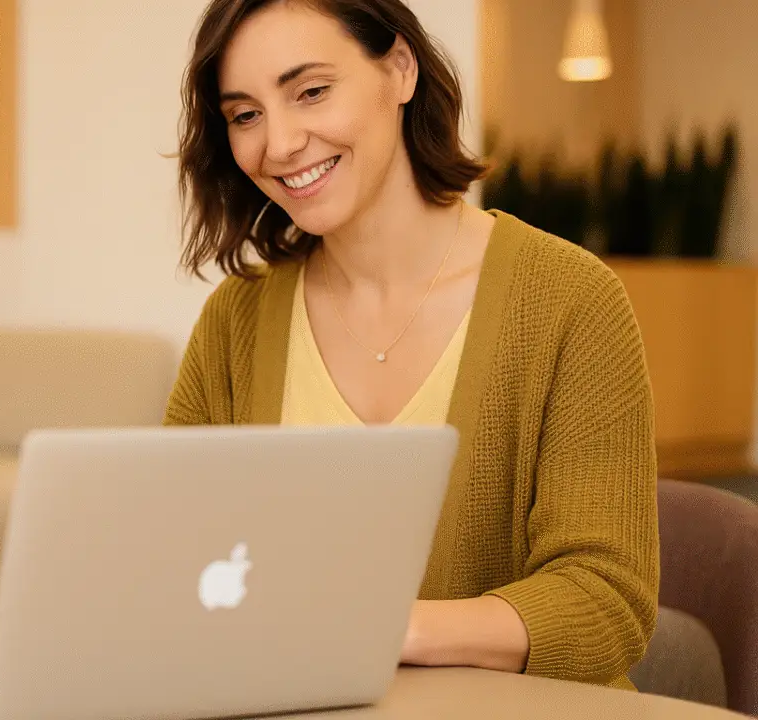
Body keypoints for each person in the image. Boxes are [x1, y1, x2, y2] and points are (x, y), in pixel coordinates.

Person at [165, 0, 657, 689]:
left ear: (399, 69)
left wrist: (384, 630)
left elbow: (606, 601)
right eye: (245, 114)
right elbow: (176, 561)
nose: (277, 144)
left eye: (311, 91)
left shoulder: (571, 301)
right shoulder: (235, 323)